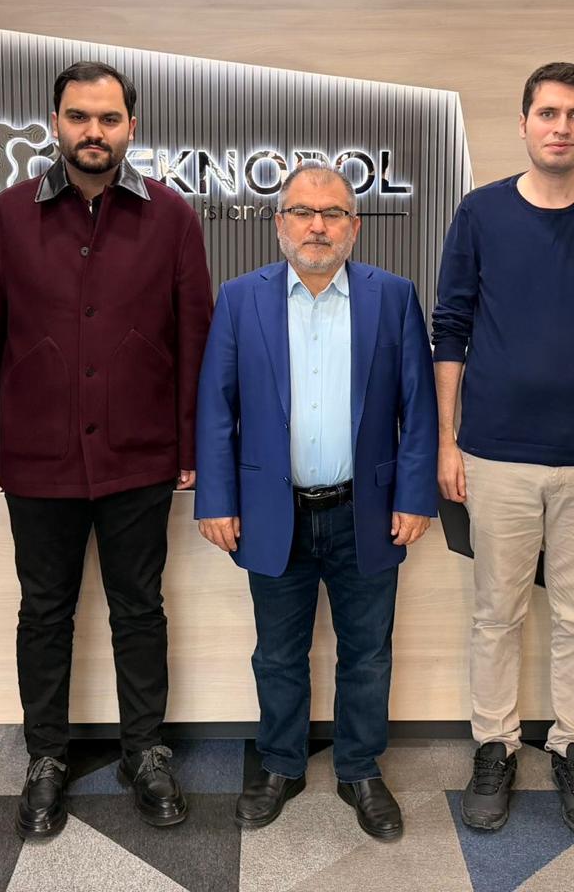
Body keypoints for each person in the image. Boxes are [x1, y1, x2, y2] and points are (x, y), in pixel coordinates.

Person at [0, 60, 213, 840]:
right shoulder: (8, 216)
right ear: (55, 123)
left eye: (107, 118)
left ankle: (145, 751)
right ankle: (46, 757)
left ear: (132, 125)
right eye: (78, 117)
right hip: (38, 456)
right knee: (44, 612)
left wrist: (194, 444)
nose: (92, 132)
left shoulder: (172, 217)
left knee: (139, 609)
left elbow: (195, 341)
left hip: (142, 453)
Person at [433, 61, 574, 837]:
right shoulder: (481, 212)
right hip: (496, 452)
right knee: (496, 613)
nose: (561, 127)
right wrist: (447, 440)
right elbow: (451, 330)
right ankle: (493, 746)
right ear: (524, 122)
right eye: (548, 113)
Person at [194, 163, 439, 841]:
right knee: (277, 654)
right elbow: (215, 408)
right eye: (302, 212)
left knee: (368, 653)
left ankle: (360, 768)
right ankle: (281, 763)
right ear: (280, 223)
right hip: (272, 513)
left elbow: (418, 408)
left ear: (354, 227)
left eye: (332, 214)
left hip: (367, 512)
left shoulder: (393, 297)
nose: (317, 226)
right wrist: (216, 499)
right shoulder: (240, 299)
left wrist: (415, 495)